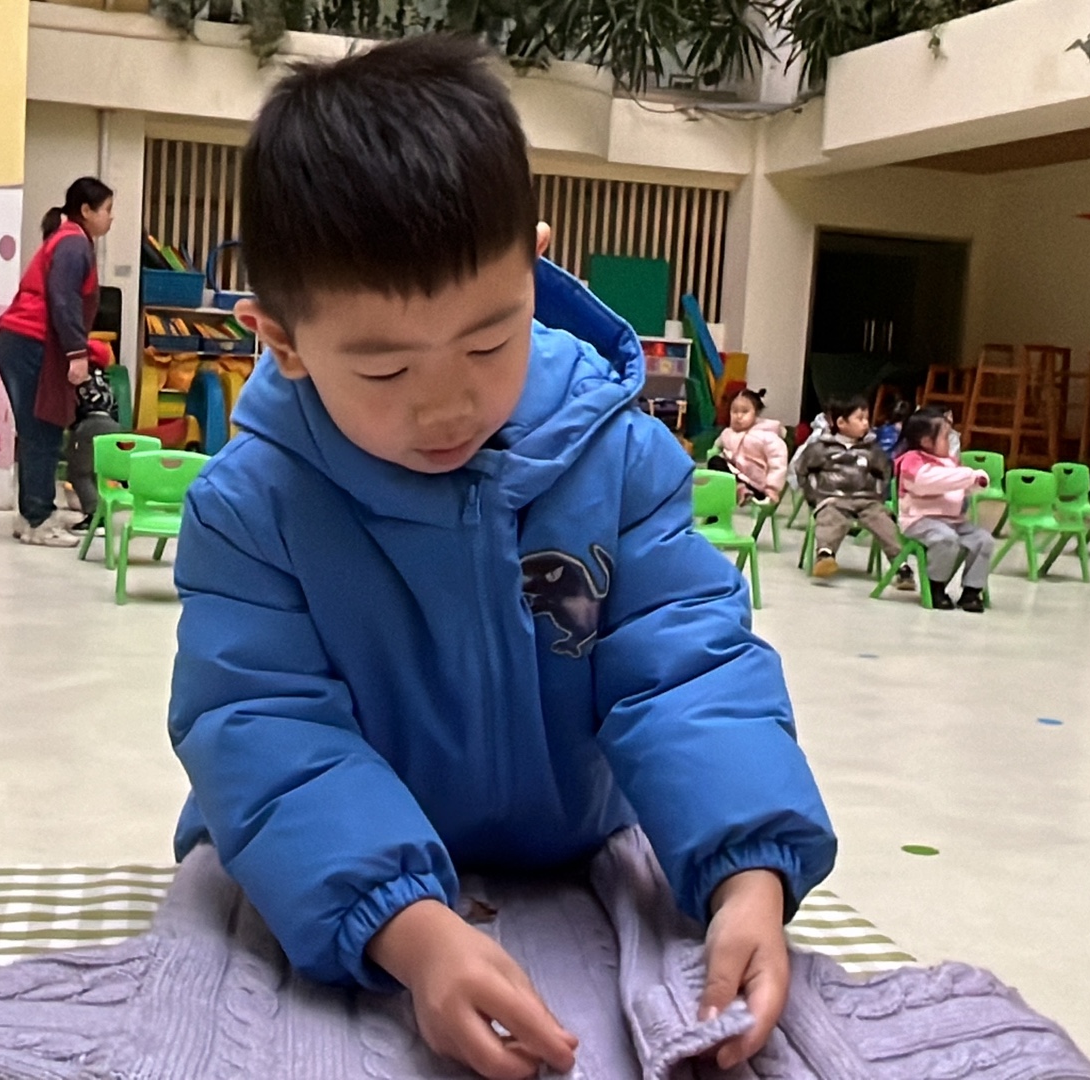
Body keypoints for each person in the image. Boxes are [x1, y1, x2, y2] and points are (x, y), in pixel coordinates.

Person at [168, 37, 835, 1080]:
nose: (448, 406)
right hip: (339, 883)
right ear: (281, 339)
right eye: (384, 369)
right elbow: (262, 730)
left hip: (574, 844)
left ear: (536, 262)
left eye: (489, 342)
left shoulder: (617, 456)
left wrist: (750, 872)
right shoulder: (253, 509)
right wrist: (408, 929)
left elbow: (686, 669)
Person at [0, 176, 115, 546]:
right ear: (86, 210)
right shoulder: (73, 243)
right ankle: (38, 520)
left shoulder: (68, 239)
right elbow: (63, 300)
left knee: (36, 432)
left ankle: (32, 513)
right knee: (43, 430)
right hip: (32, 343)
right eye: (107, 210)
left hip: (26, 343)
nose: (111, 218)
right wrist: (78, 354)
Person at [892, 411, 993, 611]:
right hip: (919, 520)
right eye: (946, 437)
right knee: (945, 538)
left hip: (954, 521)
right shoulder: (911, 461)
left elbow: (958, 486)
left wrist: (975, 483)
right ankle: (935, 587)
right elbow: (926, 482)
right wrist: (968, 476)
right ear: (926, 441)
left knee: (984, 540)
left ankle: (972, 591)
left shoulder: (950, 462)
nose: (950, 441)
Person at [794, 394, 900, 579]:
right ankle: (825, 555)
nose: (866, 423)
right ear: (841, 422)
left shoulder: (872, 450)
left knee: (883, 520)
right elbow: (802, 470)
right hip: (832, 498)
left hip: (866, 500)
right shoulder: (821, 448)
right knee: (830, 518)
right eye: (860, 418)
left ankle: (900, 564)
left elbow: (884, 473)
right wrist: (813, 495)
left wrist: (878, 496)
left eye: (867, 418)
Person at [65, 338, 123, 532]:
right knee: (98, 474)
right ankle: (103, 511)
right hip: (112, 426)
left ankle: (95, 516)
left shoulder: (80, 378)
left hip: (89, 425)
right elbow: (116, 407)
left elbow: (73, 405)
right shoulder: (106, 382)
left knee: (78, 473)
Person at [707, 387, 789, 505]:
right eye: (734, 411)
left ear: (756, 413)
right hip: (734, 477)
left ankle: (743, 491)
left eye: (745, 412)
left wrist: (772, 488)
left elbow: (777, 463)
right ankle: (739, 490)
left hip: (758, 486)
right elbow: (716, 447)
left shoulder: (767, 436)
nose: (739, 416)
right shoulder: (728, 433)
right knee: (715, 461)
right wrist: (715, 452)